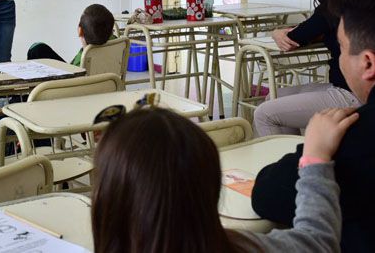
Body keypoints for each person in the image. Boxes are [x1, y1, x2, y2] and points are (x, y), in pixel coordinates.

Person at [252, 0, 375, 251]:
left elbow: (267, 194)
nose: (340, 58)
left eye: (342, 49)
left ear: (368, 63)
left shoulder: (358, 137)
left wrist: (314, 154)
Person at [92, 106, 355, 252]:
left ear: (107, 198)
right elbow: (318, 241)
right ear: (211, 188)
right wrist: (316, 158)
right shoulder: (249, 247)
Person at [253, 0, 364, 136]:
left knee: (264, 114)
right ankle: (296, 157)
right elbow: (308, 32)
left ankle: (289, 163)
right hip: (359, 89)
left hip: (349, 93)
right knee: (273, 96)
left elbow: (293, 39)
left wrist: (276, 32)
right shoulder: (360, 0)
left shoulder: (331, 7)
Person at [26, 3, 115, 66]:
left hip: (72, 86)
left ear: (80, 31)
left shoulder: (83, 58)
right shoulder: (116, 43)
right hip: (104, 84)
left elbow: (74, 73)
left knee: (37, 49)